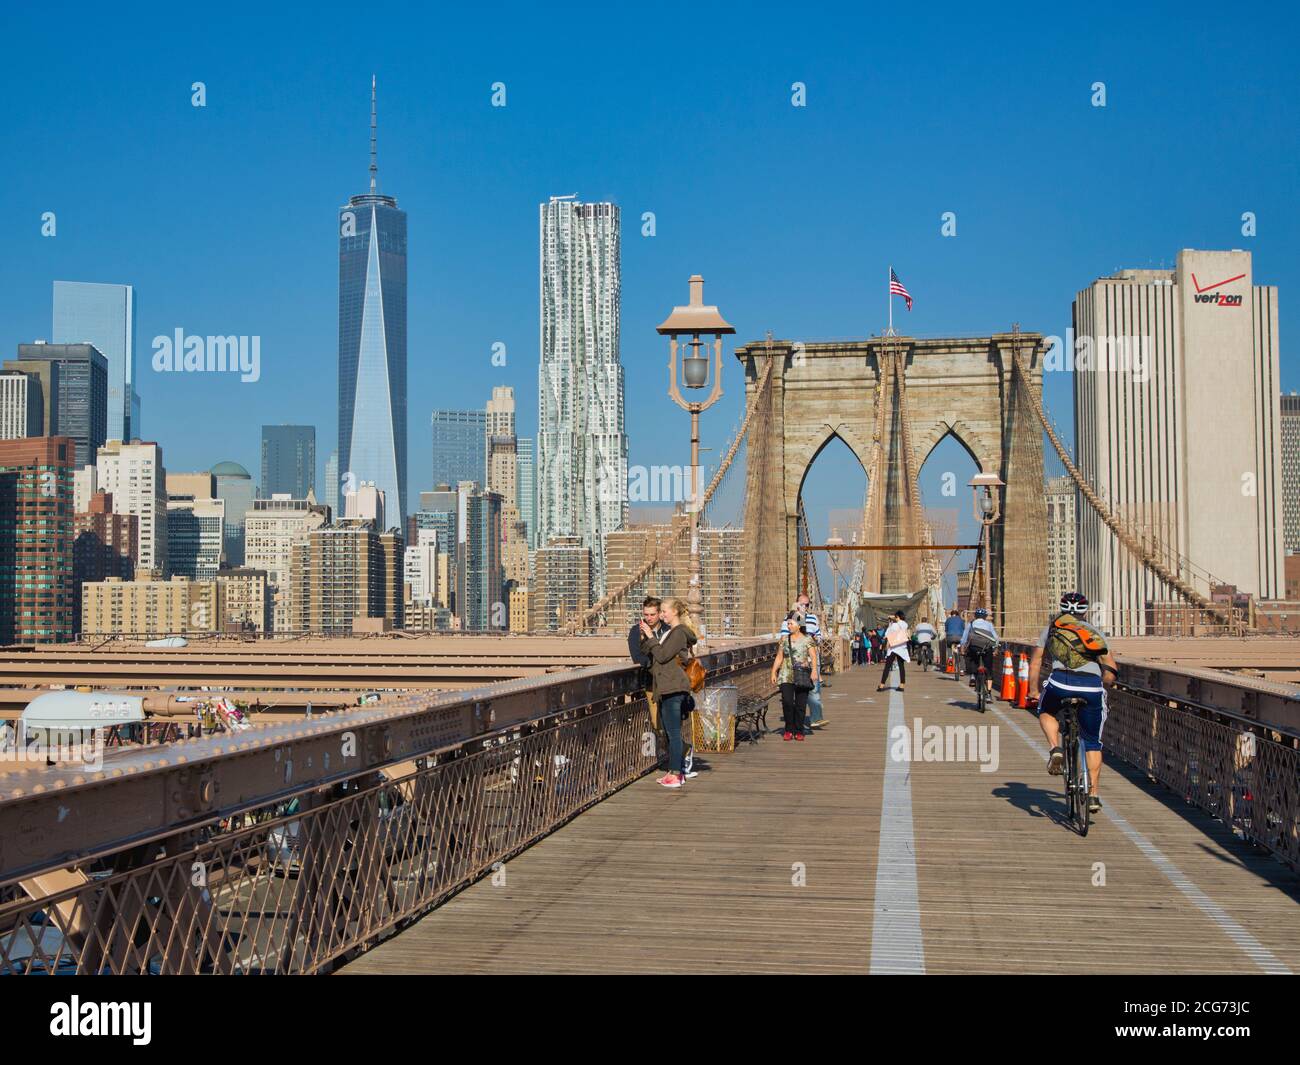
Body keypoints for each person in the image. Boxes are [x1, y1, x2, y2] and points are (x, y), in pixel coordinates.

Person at [1029, 592, 1118, 815]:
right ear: (1085, 612)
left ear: (1061, 609)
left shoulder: (1051, 629)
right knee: (1092, 742)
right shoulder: (1094, 632)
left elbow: (1036, 661)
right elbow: (1110, 668)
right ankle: (1094, 795)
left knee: (1046, 710)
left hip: (1061, 682)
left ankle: (1055, 747)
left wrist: (1033, 689)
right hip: (1090, 687)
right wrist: (1103, 684)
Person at [639, 597, 700, 788]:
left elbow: (663, 656)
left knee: (672, 733)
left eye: (664, 611)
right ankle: (677, 771)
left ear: (674, 612)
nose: (661, 614)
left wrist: (650, 636)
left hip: (673, 687)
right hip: (666, 686)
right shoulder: (673, 633)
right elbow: (655, 656)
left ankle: (675, 774)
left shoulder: (679, 632)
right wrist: (646, 638)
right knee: (669, 731)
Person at [771, 612, 820, 741]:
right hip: (786, 675)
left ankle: (799, 730)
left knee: (800, 704)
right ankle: (788, 729)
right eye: (787, 624)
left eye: (791, 623)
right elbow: (779, 656)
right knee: (787, 702)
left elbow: (813, 656)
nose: (788, 626)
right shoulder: (784, 639)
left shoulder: (807, 639)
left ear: (799, 625)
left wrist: (814, 670)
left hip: (802, 674)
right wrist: (773, 671)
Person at [960, 608, 999, 698]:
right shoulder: (989, 624)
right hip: (986, 647)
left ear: (975, 616)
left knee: (972, 659)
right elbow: (996, 638)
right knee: (988, 669)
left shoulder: (971, 624)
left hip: (974, 647)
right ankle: (989, 693)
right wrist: (995, 648)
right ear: (985, 617)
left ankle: (973, 676)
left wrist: (962, 648)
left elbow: (964, 637)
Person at [877, 612, 910, 692]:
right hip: (901, 648)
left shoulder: (893, 625)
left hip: (893, 648)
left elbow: (886, 635)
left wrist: (892, 620)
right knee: (901, 667)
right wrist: (894, 618)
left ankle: (881, 685)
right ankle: (902, 685)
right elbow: (903, 626)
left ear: (897, 617)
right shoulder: (904, 624)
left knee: (887, 667)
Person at [942, 609, 966, 674]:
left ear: (951, 615)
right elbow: (964, 629)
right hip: (959, 638)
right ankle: (962, 670)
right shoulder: (961, 620)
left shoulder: (948, 620)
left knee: (949, 647)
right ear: (958, 615)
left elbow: (946, 630)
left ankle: (950, 660)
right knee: (961, 653)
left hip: (950, 637)